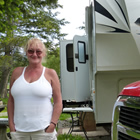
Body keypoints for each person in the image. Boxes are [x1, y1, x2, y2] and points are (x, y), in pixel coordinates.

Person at [7, 38, 62, 140]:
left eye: (38, 51)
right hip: (19, 132)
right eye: (30, 51)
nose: (34, 54)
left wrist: (53, 124)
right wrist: (11, 125)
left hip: (43, 131)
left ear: (44, 53)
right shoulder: (16, 73)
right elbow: (10, 101)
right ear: (26, 53)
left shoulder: (50, 73)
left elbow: (58, 102)